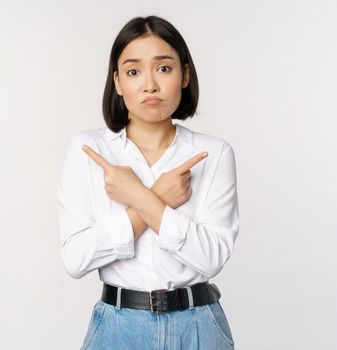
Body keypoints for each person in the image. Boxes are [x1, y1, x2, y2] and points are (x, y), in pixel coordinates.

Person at [57, 15, 238, 349]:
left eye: (164, 68)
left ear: (184, 75)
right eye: (133, 71)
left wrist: (139, 198)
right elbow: (76, 259)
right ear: (117, 82)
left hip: (198, 325)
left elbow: (211, 259)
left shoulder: (214, 154)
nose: (150, 85)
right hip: (117, 326)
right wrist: (155, 198)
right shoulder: (88, 150)